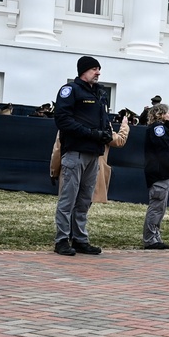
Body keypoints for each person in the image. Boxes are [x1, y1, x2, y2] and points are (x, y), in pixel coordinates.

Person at [52, 56, 113, 256]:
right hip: (75, 152)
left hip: (94, 155)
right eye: (95, 69)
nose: (98, 72)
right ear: (84, 71)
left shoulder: (98, 93)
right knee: (68, 198)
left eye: (99, 69)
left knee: (85, 199)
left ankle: (79, 238)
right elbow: (63, 120)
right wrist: (91, 133)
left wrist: (104, 134)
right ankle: (62, 239)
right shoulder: (70, 90)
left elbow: (102, 120)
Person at [143, 103, 169, 249]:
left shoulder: (164, 129)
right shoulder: (158, 129)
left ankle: (155, 237)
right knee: (156, 207)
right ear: (161, 114)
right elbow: (164, 150)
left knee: (161, 207)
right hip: (159, 173)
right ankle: (150, 239)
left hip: (162, 173)